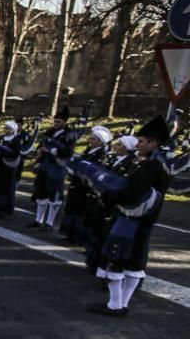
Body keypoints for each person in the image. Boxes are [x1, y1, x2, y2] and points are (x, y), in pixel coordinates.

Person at [87, 117, 171, 317]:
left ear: (153, 143)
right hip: (141, 221)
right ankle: (120, 303)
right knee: (133, 263)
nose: (138, 144)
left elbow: (132, 193)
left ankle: (116, 304)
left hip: (131, 220)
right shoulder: (152, 163)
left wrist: (109, 196)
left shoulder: (151, 165)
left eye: (141, 141)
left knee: (119, 260)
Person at [83, 134, 136, 273]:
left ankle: (100, 263)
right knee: (96, 230)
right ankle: (92, 260)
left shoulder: (130, 163)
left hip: (112, 203)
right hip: (102, 199)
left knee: (105, 234)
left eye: (120, 145)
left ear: (127, 148)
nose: (116, 147)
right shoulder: (112, 159)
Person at [59, 125, 111, 243]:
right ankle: (69, 232)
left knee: (81, 209)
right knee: (73, 207)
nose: (89, 140)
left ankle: (77, 235)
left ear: (100, 142)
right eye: (90, 138)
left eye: (93, 139)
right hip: (78, 182)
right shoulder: (88, 151)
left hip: (86, 185)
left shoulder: (101, 154)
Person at [29, 107, 75, 229]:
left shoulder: (69, 134)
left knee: (54, 195)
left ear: (65, 122)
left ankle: (49, 223)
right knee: (41, 193)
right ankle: (38, 220)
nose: (56, 124)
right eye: (55, 121)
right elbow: (41, 144)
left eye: (58, 122)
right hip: (45, 165)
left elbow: (68, 151)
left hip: (57, 167)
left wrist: (52, 151)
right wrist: (39, 152)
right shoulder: (49, 132)